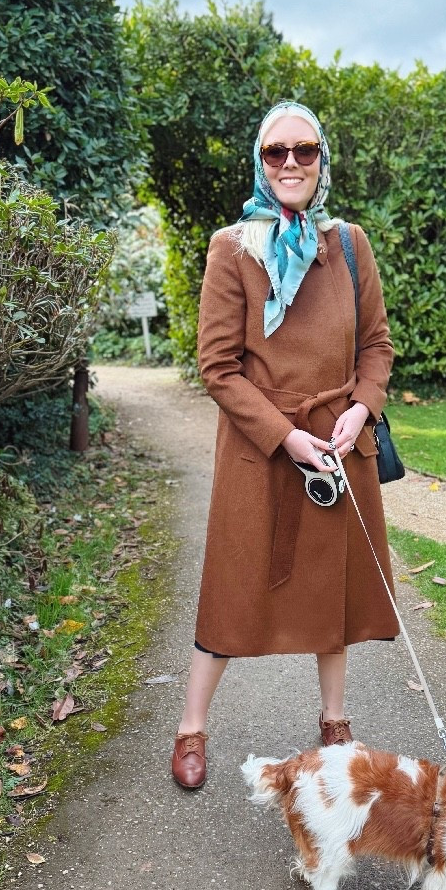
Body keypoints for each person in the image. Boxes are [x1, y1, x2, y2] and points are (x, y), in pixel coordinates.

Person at [171, 100, 399, 789]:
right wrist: (285, 436)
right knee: (232, 596)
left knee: (331, 597)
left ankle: (335, 724)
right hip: (262, 452)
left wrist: (361, 410)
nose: (292, 163)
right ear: (260, 165)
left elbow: (378, 346)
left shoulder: (350, 244)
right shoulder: (231, 248)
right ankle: (190, 727)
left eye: (306, 151)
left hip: (336, 447)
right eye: (277, 153)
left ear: (322, 161)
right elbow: (218, 369)